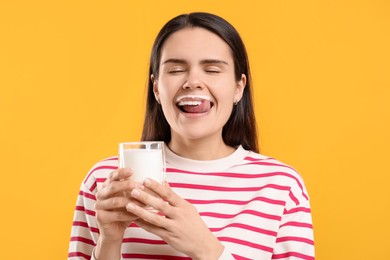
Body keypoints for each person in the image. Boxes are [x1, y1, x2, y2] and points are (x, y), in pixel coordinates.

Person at [68, 12, 315, 260]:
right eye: (176, 69)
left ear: (238, 87)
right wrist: (109, 242)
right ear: (156, 88)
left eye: (212, 70)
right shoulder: (106, 182)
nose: (193, 81)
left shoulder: (281, 187)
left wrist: (207, 250)